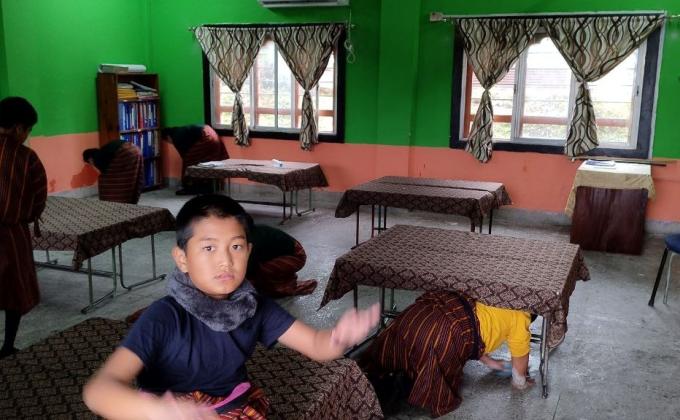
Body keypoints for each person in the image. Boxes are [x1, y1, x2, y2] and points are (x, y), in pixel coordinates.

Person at [83, 194, 379, 419]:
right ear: (182, 258)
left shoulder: (253, 306)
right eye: (209, 248)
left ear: (248, 252)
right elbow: (99, 390)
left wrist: (338, 337)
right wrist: (160, 412)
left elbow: (315, 344)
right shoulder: (163, 316)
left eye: (236, 247)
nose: (225, 261)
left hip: (231, 406)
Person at [361, 290, 532, 417]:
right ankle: (407, 388)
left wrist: (492, 363)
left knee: (392, 351)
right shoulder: (520, 316)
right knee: (435, 362)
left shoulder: (494, 290)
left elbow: (474, 328)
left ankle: (369, 379)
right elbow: (520, 360)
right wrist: (521, 382)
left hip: (419, 314)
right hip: (441, 334)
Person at [0, 96, 47, 359]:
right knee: (14, 290)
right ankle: (7, 346)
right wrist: (28, 215)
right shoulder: (26, 158)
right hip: (11, 235)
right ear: (18, 128)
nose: (27, 135)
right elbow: (38, 197)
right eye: (28, 130)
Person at [246, 221, 317, 298]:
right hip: (280, 255)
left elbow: (251, 267)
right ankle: (282, 280)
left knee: (260, 272)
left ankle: (283, 286)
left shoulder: (253, 239)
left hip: (296, 257)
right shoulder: (250, 234)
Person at [161, 124, 228, 195]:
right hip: (212, 133)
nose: (170, 143)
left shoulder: (176, 137)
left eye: (168, 141)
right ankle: (213, 185)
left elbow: (185, 157)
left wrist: (184, 180)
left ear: (168, 137)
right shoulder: (180, 130)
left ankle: (194, 187)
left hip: (206, 137)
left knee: (191, 163)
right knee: (209, 162)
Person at [83, 139, 144, 204]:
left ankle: (113, 201)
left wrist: (93, 165)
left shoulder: (98, 157)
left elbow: (103, 173)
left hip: (126, 152)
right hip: (135, 149)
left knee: (104, 179)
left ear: (90, 159)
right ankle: (130, 200)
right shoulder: (104, 151)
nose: (91, 165)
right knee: (131, 178)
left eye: (89, 163)